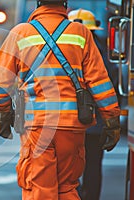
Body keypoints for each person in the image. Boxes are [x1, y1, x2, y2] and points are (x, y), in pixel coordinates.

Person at [0, 0, 121, 199]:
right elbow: (100, 82)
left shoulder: (21, 33)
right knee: (67, 188)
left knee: (39, 188)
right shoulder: (80, 33)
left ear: (38, 3)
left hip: (37, 127)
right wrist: (111, 121)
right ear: (65, 3)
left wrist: (5, 114)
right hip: (73, 127)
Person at [68, 8, 119, 200]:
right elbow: (109, 86)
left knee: (68, 168)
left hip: (69, 123)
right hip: (95, 124)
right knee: (93, 166)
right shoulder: (103, 53)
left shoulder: (63, 50)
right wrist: (111, 121)